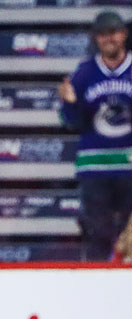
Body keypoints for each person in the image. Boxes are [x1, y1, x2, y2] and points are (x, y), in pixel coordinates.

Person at [59, 11, 132, 261]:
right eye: (102, 34)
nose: (108, 39)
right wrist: (69, 103)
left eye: (113, 33)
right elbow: (70, 122)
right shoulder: (85, 72)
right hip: (94, 166)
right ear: (96, 39)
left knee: (130, 236)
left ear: (123, 35)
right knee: (96, 233)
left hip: (129, 164)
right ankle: (97, 282)